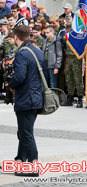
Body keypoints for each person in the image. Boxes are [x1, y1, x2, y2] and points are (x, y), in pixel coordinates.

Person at [8, 25, 46, 177]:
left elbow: (19, 77)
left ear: (16, 37)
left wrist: (10, 85)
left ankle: (33, 166)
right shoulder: (37, 51)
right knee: (23, 132)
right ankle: (20, 161)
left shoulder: (22, 53)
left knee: (26, 133)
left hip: (26, 98)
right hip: (36, 97)